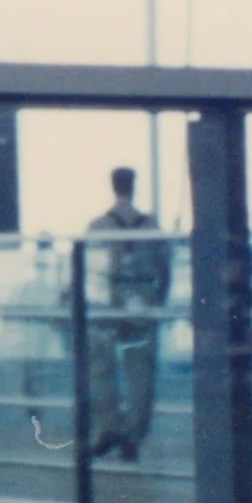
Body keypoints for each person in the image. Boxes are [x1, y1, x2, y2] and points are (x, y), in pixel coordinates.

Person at [82, 165, 172, 460]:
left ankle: (108, 426)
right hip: (142, 299)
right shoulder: (152, 225)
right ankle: (134, 434)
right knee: (141, 370)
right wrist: (157, 299)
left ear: (113, 185)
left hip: (109, 301)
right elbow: (165, 268)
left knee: (100, 367)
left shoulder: (98, 226)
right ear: (134, 186)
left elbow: (92, 269)